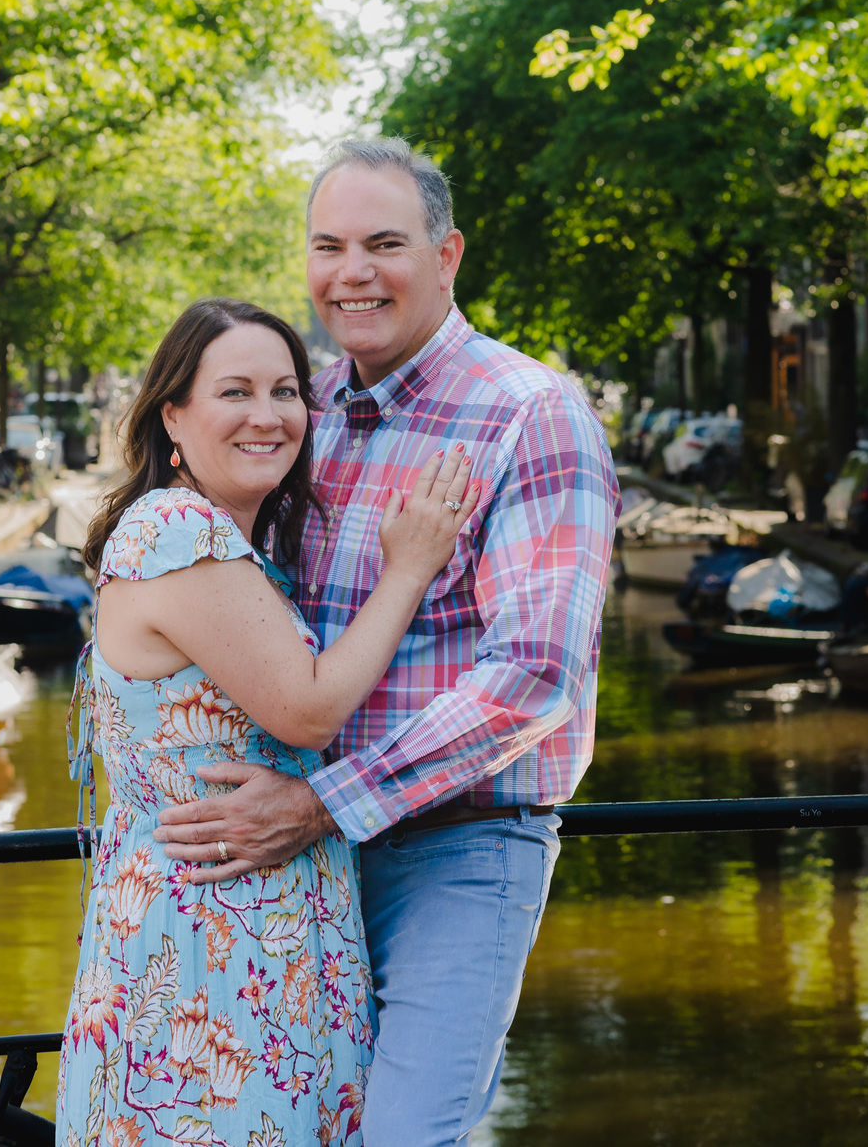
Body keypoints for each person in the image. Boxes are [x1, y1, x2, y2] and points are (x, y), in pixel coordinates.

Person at [154, 139, 619, 1147]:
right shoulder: (298, 411)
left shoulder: (530, 414)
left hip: (459, 846)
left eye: (384, 243)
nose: (351, 272)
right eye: (328, 245)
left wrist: (324, 803)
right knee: (273, 1125)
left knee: (407, 1135)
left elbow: (537, 675)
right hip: (293, 851)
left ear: (447, 256)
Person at [56, 296, 480, 1147]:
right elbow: (310, 708)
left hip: (264, 935)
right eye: (236, 392)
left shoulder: (232, 542)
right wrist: (412, 567)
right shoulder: (177, 530)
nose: (268, 415)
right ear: (173, 414)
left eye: (287, 391)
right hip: (209, 954)